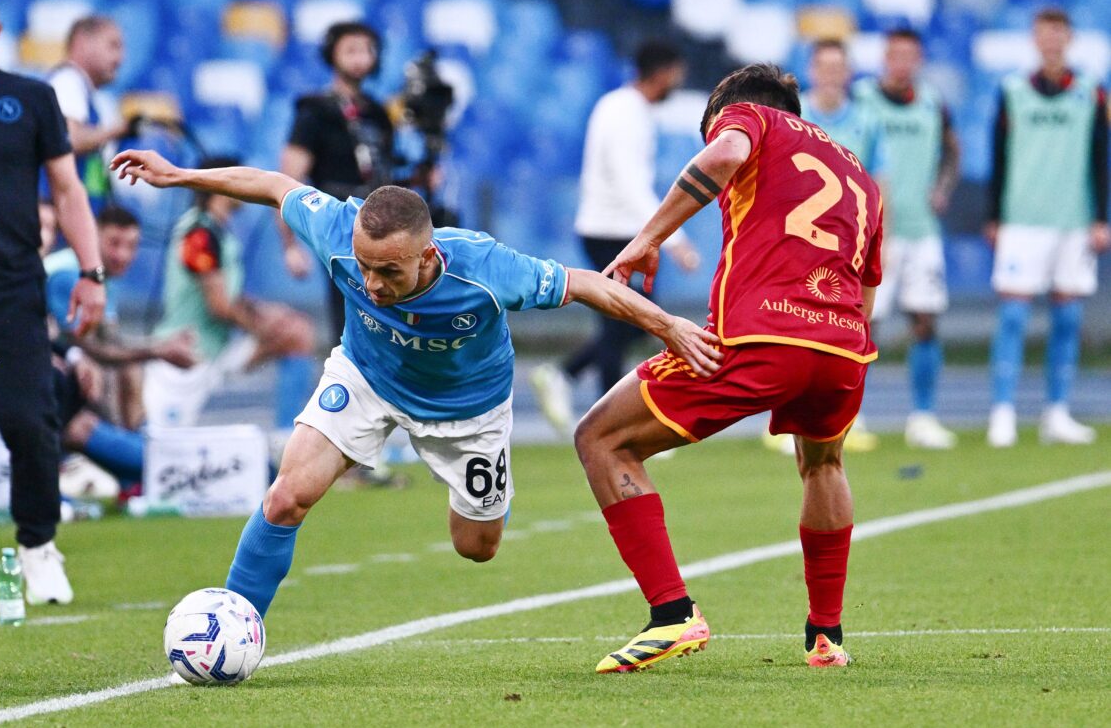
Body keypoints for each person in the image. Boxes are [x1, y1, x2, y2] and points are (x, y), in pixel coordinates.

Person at [108, 148, 721, 617]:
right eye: (365, 267)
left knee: (476, 546)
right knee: (287, 495)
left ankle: (464, 484)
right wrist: (179, 176)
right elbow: (273, 185)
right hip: (367, 377)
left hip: (470, 409)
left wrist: (666, 324)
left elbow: (586, 284)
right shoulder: (337, 229)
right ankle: (234, 622)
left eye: (389, 271)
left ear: (428, 256)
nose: (371, 284)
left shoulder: (485, 267)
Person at [575, 63, 883, 672]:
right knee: (823, 463)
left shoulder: (751, 118)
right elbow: (866, 284)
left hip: (761, 335)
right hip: (845, 346)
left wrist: (647, 236)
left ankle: (672, 615)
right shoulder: (863, 178)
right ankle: (826, 636)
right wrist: (837, 344)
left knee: (601, 437)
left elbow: (723, 157)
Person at [0, 0, 106, 608]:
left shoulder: (29, 99)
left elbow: (68, 190)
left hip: (7, 295)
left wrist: (91, 270)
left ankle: (37, 546)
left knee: (27, 420)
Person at [530, 40, 700, 436]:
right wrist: (674, 240)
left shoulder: (622, 107)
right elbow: (629, 184)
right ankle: (608, 419)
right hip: (611, 232)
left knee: (627, 320)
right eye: (676, 73)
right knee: (629, 319)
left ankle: (567, 378)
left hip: (610, 229)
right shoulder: (627, 113)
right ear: (662, 72)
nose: (678, 81)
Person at [986, 7, 1110, 448]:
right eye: (1044, 33)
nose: (1051, 41)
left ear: (1069, 38)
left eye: (1058, 33)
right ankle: (1002, 412)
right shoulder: (1013, 89)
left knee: (1068, 317)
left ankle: (1057, 411)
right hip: (1022, 220)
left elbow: (1101, 156)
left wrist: (1101, 217)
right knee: (1014, 316)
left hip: (1073, 220)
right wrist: (994, 215)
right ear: (1035, 40)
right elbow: (998, 154)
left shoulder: (1092, 92)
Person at [761, 38, 885, 454]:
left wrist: (878, 240)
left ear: (848, 73)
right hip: (796, 245)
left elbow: (877, 185)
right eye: (824, 66)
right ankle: (782, 416)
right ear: (811, 72)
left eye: (838, 67)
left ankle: (849, 414)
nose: (831, 74)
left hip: (847, 249)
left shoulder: (867, 120)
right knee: (790, 324)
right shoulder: (794, 116)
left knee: (854, 326)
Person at [143, 157, 316, 431]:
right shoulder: (199, 233)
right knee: (157, 446)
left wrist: (268, 314)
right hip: (187, 355)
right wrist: (262, 328)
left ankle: (286, 434)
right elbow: (220, 305)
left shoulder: (216, 229)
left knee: (297, 334)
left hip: (216, 348)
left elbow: (228, 295)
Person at [853, 28, 960, 450]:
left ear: (918, 60)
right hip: (872, 232)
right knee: (863, 324)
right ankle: (852, 416)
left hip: (921, 230)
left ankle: (923, 417)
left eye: (910, 56)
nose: (902, 63)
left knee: (926, 320)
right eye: (895, 55)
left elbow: (952, 148)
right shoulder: (861, 99)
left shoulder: (933, 102)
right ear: (884, 57)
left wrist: (944, 187)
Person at [44, 205, 198, 493]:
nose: (122, 255)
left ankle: (138, 467)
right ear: (93, 235)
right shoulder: (69, 275)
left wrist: (155, 348)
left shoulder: (97, 278)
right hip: (3, 375)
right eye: (114, 243)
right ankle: (161, 466)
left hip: (45, 389)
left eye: (131, 245)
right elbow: (89, 347)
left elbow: (103, 345)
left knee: (126, 369)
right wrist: (157, 350)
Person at [278, 21, 394, 347]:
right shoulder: (314, 113)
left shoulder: (379, 114)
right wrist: (289, 245)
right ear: (332, 55)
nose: (360, 58)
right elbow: (289, 178)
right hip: (338, 222)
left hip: (382, 223)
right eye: (350, 50)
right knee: (350, 315)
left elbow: (384, 173)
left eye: (367, 50)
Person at [46, 15, 127, 214]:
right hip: (60, 222)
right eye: (113, 45)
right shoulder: (68, 82)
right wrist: (119, 130)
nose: (120, 58)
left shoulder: (82, 90)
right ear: (82, 43)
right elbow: (68, 139)